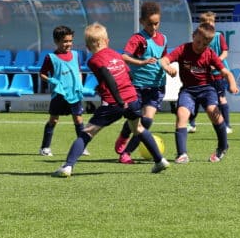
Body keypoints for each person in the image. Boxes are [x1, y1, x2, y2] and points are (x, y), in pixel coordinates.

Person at [52, 22, 170, 177]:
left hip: (114, 102)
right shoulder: (116, 54)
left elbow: (108, 78)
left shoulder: (93, 60)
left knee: (87, 133)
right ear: (106, 41)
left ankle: (67, 167)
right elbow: (129, 75)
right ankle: (159, 160)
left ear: (88, 46)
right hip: (133, 98)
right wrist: (124, 95)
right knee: (139, 129)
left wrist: (119, 100)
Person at [161, 23, 239, 164]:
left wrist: (232, 84)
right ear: (193, 36)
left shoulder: (209, 54)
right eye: (198, 42)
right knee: (182, 114)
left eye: (204, 44)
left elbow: (226, 72)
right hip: (188, 90)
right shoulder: (183, 49)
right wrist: (167, 67)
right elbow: (164, 60)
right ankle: (182, 154)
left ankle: (223, 146)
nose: (200, 46)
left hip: (207, 89)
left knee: (212, 111)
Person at [113, 1, 169, 165]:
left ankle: (126, 153)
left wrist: (168, 68)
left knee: (147, 121)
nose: (153, 27)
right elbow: (124, 57)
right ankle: (124, 134)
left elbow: (164, 58)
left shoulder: (163, 38)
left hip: (156, 85)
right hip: (137, 85)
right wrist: (141, 63)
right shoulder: (138, 39)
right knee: (134, 117)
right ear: (142, 22)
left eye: (156, 23)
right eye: (150, 24)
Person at [38, 25, 88, 157]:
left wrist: (80, 84)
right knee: (54, 120)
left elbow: (78, 71)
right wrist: (52, 81)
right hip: (60, 94)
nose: (68, 44)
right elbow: (42, 74)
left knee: (78, 120)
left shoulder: (76, 55)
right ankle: (45, 147)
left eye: (70, 41)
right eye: (65, 41)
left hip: (74, 93)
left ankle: (82, 147)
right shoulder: (51, 57)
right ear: (56, 41)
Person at [187, 11, 233, 134]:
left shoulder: (218, 36)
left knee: (221, 98)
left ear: (214, 23)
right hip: (202, 74)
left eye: (211, 22)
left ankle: (227, 125)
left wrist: (215, 63)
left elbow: (225, 52)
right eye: (205, 23)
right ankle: (191, 123)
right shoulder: (197, 38)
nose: (209, 25)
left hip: (218, 74)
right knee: (195, 98)